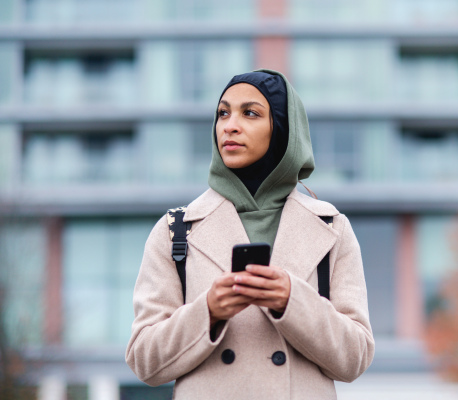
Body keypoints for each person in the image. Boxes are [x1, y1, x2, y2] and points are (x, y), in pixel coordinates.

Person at [125, 70, 374, 399]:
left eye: (251, 113)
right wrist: (209, 311)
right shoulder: (176, 230)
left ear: (283, 129)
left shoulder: (331, 226)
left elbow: (354, 359)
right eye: (223, 113)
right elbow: (144, 361)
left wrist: (292, 301)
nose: (230, 125)